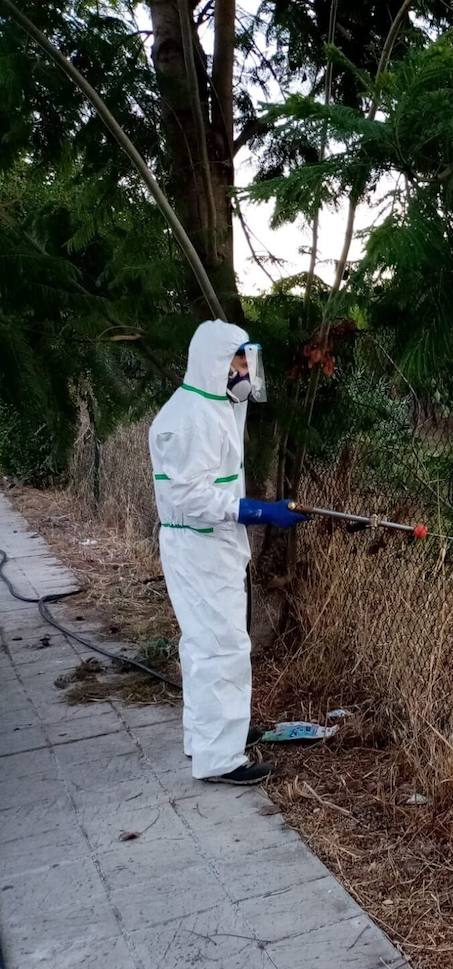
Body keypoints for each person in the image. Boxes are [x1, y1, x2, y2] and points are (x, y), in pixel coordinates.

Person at [148, 320, 309, 785]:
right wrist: (256, 511)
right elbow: (190, 497)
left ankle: (212, 736)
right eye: (240, 360)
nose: (246, 370)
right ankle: (221, 757)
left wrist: (251, 512)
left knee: (204, 644)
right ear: (216, 361)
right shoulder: (190, 418)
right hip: (198, 547)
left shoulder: (212, 407)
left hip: (206, 546)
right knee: (222, 647)